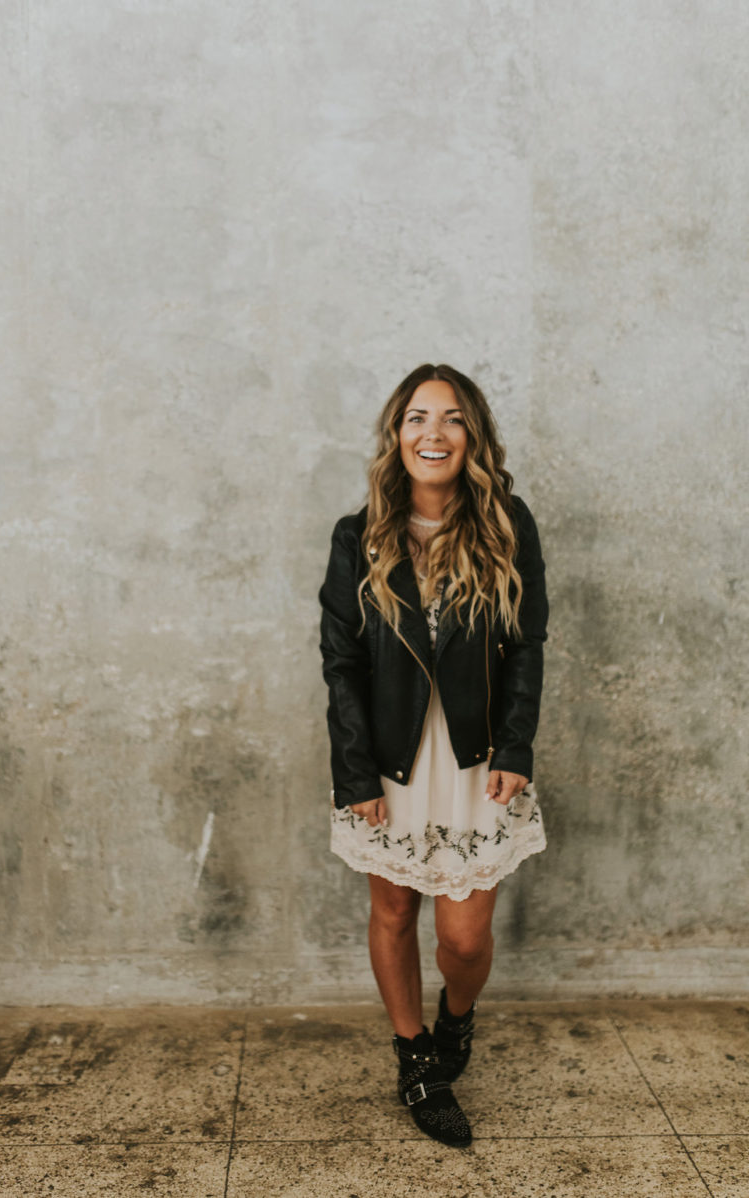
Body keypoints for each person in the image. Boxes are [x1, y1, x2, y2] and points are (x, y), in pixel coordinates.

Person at [318, 363, 549, 1149]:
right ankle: (414, 1057)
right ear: (397, 434)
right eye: (418, 417)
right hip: (389, 762)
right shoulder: (360, 537)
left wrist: (516, 745)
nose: (434, 433)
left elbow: (526, 645)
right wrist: (354, 774)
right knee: (392, 911)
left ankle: (457, 1018)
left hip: (478, 762)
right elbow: (341, 662)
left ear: (471, 436)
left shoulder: (508, 523)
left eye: (451, 418)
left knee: (463, 939)